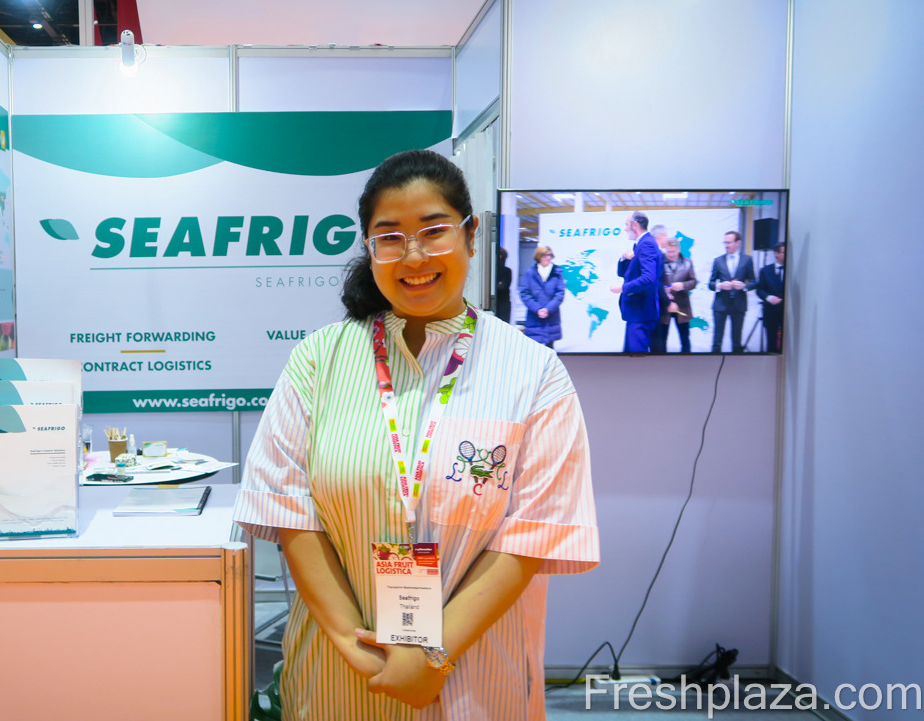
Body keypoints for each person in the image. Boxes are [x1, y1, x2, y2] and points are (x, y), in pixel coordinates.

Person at [232, 149, 599, 719]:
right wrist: (360, 652)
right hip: (339, 674)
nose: (414, 257)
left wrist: (433, 656)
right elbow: (291, 517)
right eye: (390, 238)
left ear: (470, 235)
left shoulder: (533, 373)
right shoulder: (319, 360)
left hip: (475, 678)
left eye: (434, 231)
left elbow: (529, 537)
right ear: (370, 249)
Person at [610, 211, 662, 353]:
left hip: (641, 313)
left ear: (634, 225)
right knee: (630, 358)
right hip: (636, 313)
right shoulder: (640, 245)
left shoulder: (647, 244)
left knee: (636, 359)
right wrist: (623, 258)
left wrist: (623, 288)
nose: (625, 229)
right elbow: (623, 273)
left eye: (626, 225)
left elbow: (648, 278)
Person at [650, 227, 697, 353]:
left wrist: (683, 285)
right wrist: (664, 291)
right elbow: (656, 282)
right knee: (661, 339)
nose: (671, 254)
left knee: (685, 339)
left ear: (679, 249)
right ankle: (662, 361)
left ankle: (686, 361)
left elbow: (693, 282)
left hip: (682, 305)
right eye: (668, 251)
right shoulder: (659, 262)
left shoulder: (688, 262)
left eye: (673, 251)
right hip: (664, 305)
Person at [708, 230, 757, 353]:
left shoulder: (747, 260)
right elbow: (711, 284)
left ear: (738, 243)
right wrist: (720, 285)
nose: (726, 245)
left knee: (737, 341)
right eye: (725, 242)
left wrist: (744, 286)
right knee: (717, 340)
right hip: (720, 304)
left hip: (739, 304)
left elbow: (753, 282)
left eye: (729, 243)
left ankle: (737, 364)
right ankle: (713, 362)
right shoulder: (718, 261)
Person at [519, 245, 565, 348]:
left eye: (550, 255)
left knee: (550, 347)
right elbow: (524, 293)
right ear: (539, 256)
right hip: (534, 315)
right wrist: (537, 309)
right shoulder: (530, 273)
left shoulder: (557, 272)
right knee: (535, 348)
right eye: (545, 255)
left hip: (551, 315)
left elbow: (560, 293)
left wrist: (548, 309)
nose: (548, 258)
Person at [756, 241, 785, 353]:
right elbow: (760, 290)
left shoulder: (793, 270)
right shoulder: (765, 270)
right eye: (784, 252)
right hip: (771, 311)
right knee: (771, 344)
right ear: (776, 253)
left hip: (788, 313)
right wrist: (768, 298)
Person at [493, 245, 512, 323]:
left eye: (502, 256)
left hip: (503, 304)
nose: (500, 258)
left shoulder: (507, 271)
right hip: (495, 303)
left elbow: (503, 286)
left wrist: (497, 284)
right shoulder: (491, 271)